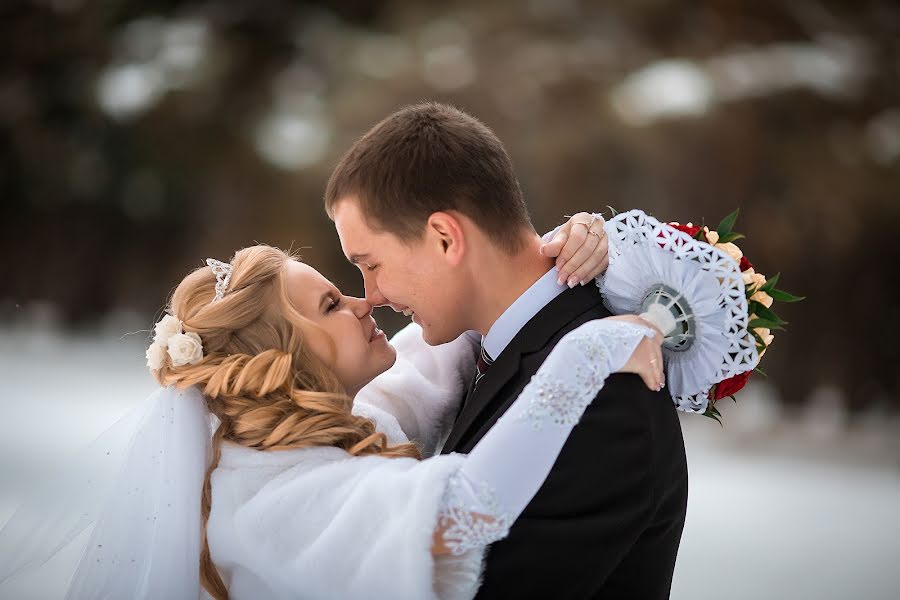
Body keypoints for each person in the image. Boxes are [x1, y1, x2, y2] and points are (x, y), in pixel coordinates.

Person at [0, 237, 666, 600]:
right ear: (286, 360)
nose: (362, 302)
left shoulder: (294, 442)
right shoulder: (271, 495)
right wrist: (588, 351)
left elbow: (424, 371)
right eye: (329, 305)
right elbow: (471, 505)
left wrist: (527, 257)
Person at [325, 102, 689, 598]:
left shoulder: (602, 398)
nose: (371, 295)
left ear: (445, 238)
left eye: (372, 264)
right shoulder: (480, 352)